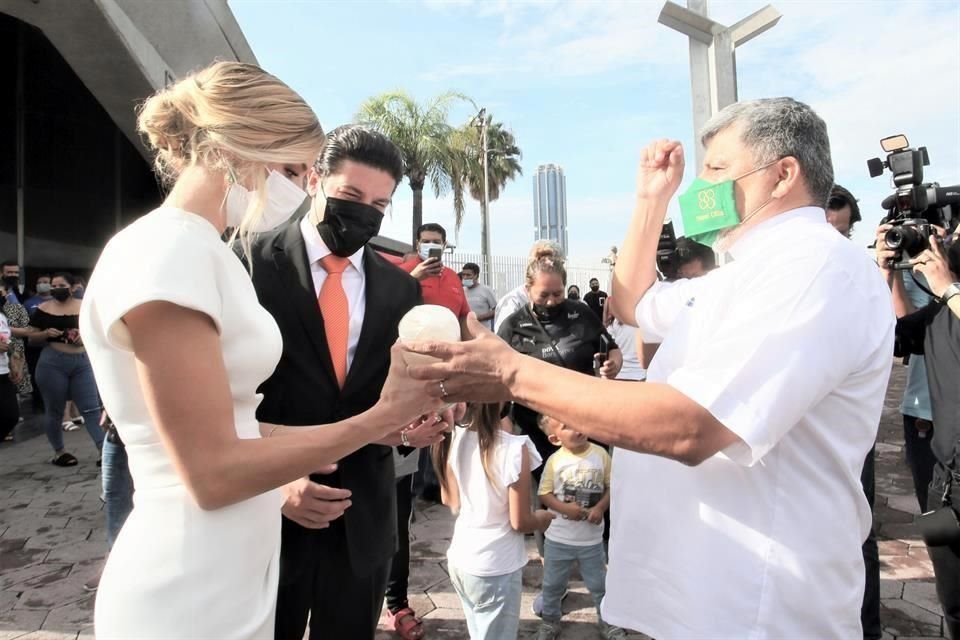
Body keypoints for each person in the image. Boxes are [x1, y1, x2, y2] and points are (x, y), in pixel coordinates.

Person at [404, 97, 895, 638]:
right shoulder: (741, 275)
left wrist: (513, 373)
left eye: (717, 169)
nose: (700, 188)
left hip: (759, 607)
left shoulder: (816, 267)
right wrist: (649, 199)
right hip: (700, 599)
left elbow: (692, 426)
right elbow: (635, 300)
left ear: (782, 175)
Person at [79, 61, 443, 640]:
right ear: (240, 147)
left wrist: (397, 421)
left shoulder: (203, 250)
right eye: (297, 169)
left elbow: (243, 425)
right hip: (189, 575)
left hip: (233, 563)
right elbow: (213, 471)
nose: (299, 188)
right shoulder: (168, 252)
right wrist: (381, 417)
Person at [246, 124, 447, 640]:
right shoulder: (246, 263)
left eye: (379, 204)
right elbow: (220, 400)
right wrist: (276, 482)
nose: (364, 211)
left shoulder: (400, 289)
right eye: (351, 195)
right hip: (266, 516)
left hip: (364, 517)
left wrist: (431, 410)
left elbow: (394, 395)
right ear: (314, 179)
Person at [877, 221, 960, 638]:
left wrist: (948, 289)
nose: (948, 245)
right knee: (953, 594)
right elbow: (896, 335)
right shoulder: (942, 310)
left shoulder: (950, 299)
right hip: (944, 483)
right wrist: (888, 274)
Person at [433, 403, 554, 639]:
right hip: (496, 566)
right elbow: (520, 522)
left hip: (461, 558)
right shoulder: (515, 449)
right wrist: (542, 519)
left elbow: (449, 499)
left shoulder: (454, 437)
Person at [497, 248, 622, 468]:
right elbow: (497, 373)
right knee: (549, 491)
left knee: (592, 484)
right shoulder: (513, 325)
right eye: (544, 294)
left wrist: (613, 365)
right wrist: (501, 416)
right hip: (538, 428)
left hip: (585, 421)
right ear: (528, 290)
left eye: (558, 293)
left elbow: (612, 348)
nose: (552, 301)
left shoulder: (581, 313)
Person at [827, 183, 879, 640]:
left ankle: (868, 627)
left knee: (857, 532)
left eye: (841, 235)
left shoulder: (862, 277)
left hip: (847, 434)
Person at [535, 415, 625, 640]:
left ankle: (608, 622)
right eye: (567, 427)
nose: (577, 428)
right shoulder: (555, 461)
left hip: (591, 541)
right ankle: (550, 622)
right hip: (559, 539)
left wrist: (600, 508)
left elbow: (612, 486)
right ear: (555, 438)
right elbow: (544, 494)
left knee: (599, 585)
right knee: (552, 585)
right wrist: (565, 510)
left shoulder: (600, 455)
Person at [29, 272, 104, 465]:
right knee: (54, 409)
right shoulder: (44, 309)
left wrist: (83, 336)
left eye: (60, 285)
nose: (55, 289)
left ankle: (103, 450)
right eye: (53, 285)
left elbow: (99, 330)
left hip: (81, 360)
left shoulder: (85, 307)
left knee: (91, 408)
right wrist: (45, 333)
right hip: (52, 362)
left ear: (72, 287)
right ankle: (59, 452)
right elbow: (32, 337)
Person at [399, 223, 471, 326]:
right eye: (426, 242)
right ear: (418, 244)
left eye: (436, 242)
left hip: (450, 340)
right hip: (413, 340)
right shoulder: (402, 271)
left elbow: (464, 315)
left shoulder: (453, 276)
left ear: (444, 245)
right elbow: (386, 303)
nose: (431, 245)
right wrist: (412, 278)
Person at [493, 240, 564, 333]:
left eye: (557, 294)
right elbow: (502, 341)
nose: (550, 302)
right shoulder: (512, 303)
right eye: (543, 295)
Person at [0, 287, 21, 442]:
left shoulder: (2, 316)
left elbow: (7, 341)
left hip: (2, 371)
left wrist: (13, 364)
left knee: (11, 415)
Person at [461, 262, 497, 330]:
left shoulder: (486, 290)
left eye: (468, 275)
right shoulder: (461, 291)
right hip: (465, 332)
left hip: (483, 332)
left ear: (476, 276)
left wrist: (478, 318)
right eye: (463, 275)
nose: (465, 277)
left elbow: (496, 310)